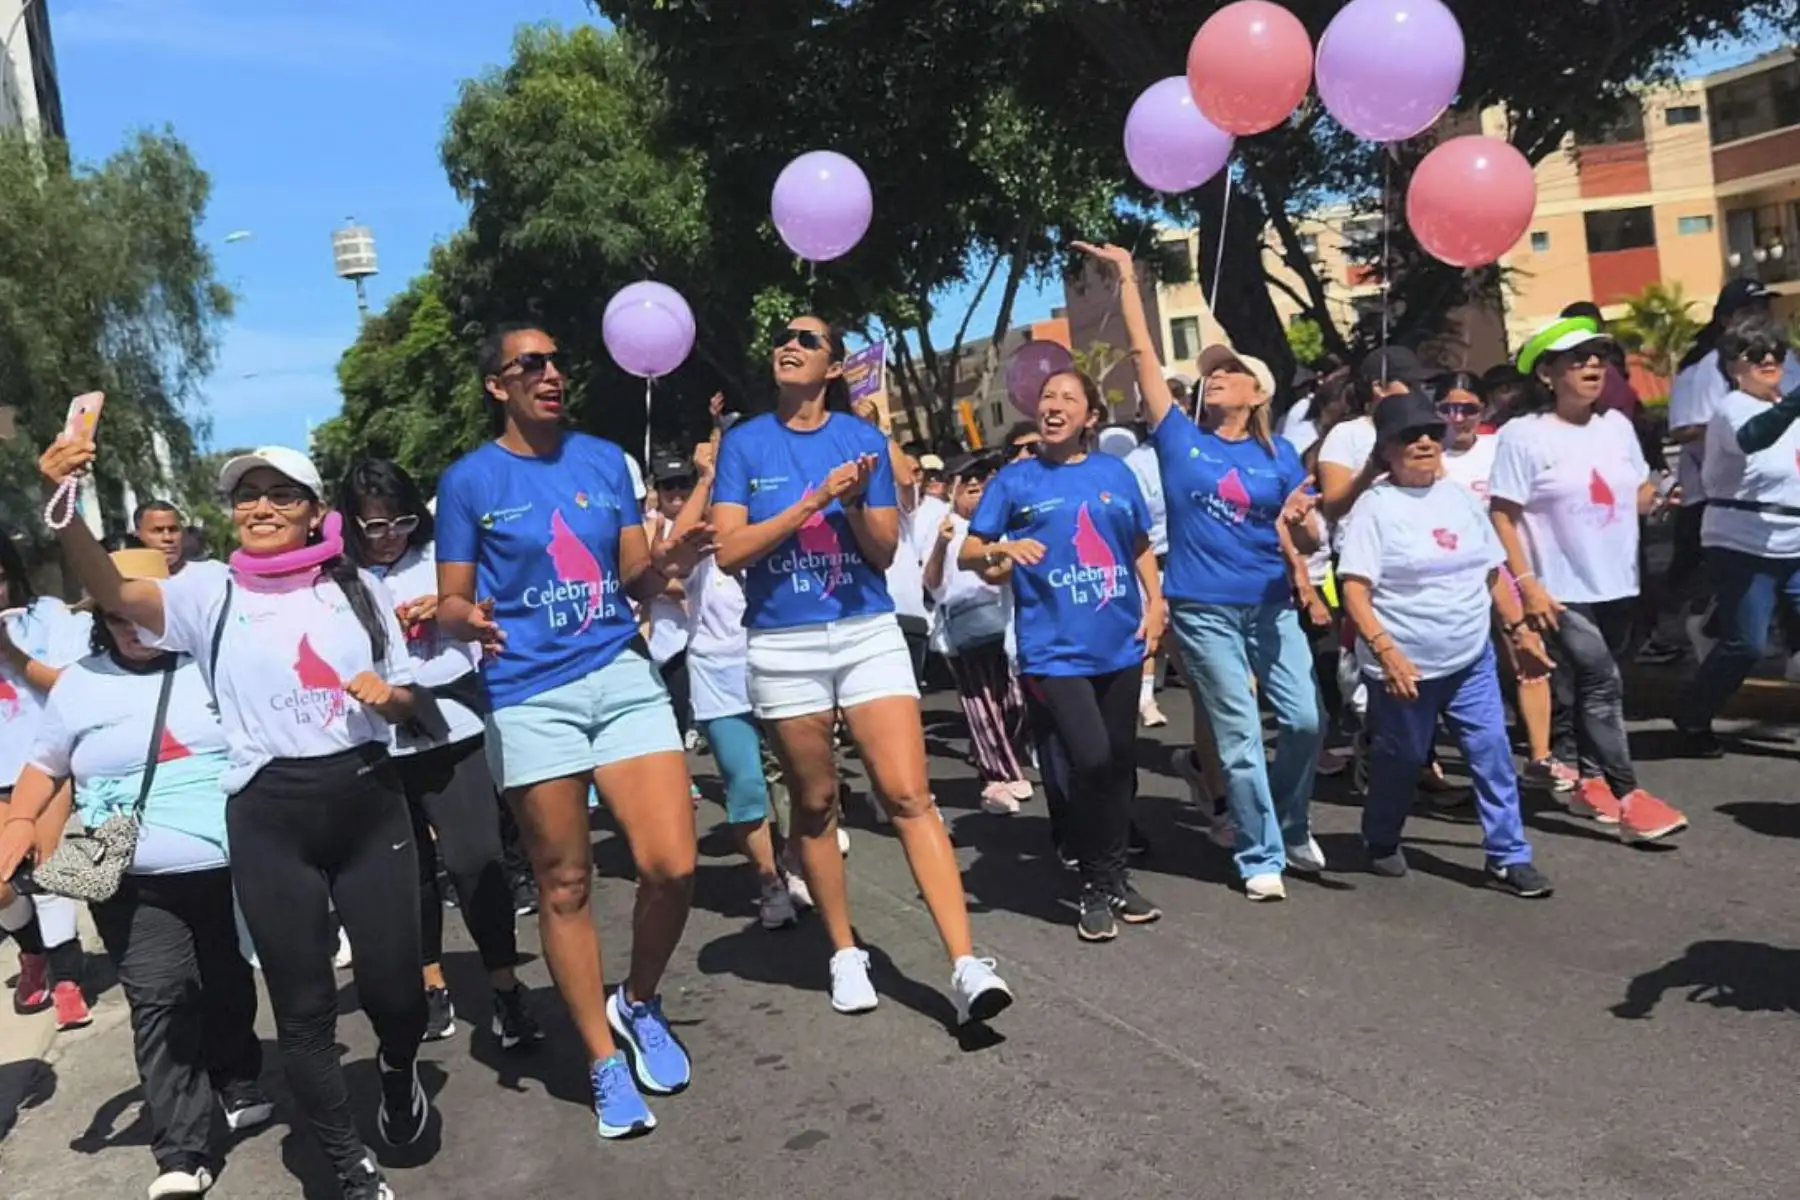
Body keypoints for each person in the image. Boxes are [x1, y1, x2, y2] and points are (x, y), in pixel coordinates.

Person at [37, 439, 428, 1200]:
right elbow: (115, 593)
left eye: (282, 495)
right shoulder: (208, 590)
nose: (261, 508)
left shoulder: (357, 588)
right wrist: (66, 508)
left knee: (396, 994)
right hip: (268, 818)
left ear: (317, 511)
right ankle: (348, 1165)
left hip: (367, 797)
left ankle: (397, 1062)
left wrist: (392, 698)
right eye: (247, 496)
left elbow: (416, 701)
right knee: (305, 1007)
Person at [434, 323, 707, 1139]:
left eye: (557, 362)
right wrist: (464, 617)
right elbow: (451, 601)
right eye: (532, 365)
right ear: (497, 386)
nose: (553, 374)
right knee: (564, 884)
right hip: (527, 695)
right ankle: (601, 1059)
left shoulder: (602, 460)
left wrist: (672, 559)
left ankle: (640, 999)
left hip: (619, 673)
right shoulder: (469, 481)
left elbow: (632, 573)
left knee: (673, 861)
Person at [712, 315, 1013, 1021]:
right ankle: (845, 952)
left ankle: (966, 965)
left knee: (909, 795)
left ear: (834, 368)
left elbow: (882, 552)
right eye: (783, 336)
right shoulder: (745, 443)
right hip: (783, 642)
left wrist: (852, 503)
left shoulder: (864, 440)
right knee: (815, 804)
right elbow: (729, 552)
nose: (788, 344)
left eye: (807, 340)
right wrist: (812, 501)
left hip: (865, 630)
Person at [0, 547, 272, 1198]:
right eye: (118, 616)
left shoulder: (216, 667)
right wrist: (17, 824)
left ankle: (237, 1073)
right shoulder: (79, 684)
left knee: (225, 978)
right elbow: (45, 764)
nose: (133, 626)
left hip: (221, 860)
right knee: (159, 996)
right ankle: (180, 1149)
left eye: (142, 612)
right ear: (101, 618)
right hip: (120, 863)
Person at [1072, 241, 1324, 903]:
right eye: (1211, 372)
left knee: (1304, 723)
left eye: (1229, 371)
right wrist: (1125, 278)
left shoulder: (1283, 454)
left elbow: (1310, 526)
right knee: (1238, 728)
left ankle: (1292, 823)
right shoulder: (1181, 439)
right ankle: (1259, 851)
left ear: (1257, 390)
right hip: (1201, 608)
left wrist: (1303, 526)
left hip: (1271, 605)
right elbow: (1144, 357)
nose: (1214, 377)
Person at [338, 459, 540, 1051]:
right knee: (409, 876)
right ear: (351, 525)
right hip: (379, 736)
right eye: (374, 527)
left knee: (477, 859)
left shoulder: (440, 558)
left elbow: (494, 608)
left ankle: (505, 986)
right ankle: (430, 983)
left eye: (400, 521)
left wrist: (445, 607)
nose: (390, 536)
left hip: (454, 723)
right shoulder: (335, 576)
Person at [960, 362, 1164, 940]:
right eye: (1047, 397)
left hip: (1119, 643)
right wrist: (1003, 546)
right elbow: (970, 555)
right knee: (1093, 758)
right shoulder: (1015, 481)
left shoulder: (1114, 474)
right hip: (1053, 652)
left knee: (1119, 765)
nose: (1053, 406)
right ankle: (1096, 884)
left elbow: (1139, 543)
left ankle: (1113, 878)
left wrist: (1156, 603)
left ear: (1090, 417)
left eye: (1068, 398)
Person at [1337, 392, 1555, 897]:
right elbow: (1355, 589)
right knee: (1404, 759)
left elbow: (1490, 570)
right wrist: (1386, 652)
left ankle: (1508, 855)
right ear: (1387, 449)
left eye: (1431, 434)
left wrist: (1518, 630)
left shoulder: (1457, 497)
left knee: (1492, 751)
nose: (1423, 442)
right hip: (1406, 667)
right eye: (1409, 436)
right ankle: (1381, 836)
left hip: (1469, 656)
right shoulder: (1376, 507)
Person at [1489, 317, 1688, 844]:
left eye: (1598, 356)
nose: (1593, 366)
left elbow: (1637, 487)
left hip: (1619, 581)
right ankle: (1630, 798)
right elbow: (1502, 515)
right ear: (1548, 374)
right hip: (1559, 589)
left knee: (1589, 688)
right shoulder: (1523, 435)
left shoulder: (1616, 427)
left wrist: (1654, 498)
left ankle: (1587, 779)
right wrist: (1527, 582)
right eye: (1577, 359)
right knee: (1603, 685)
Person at [673, 433, 804, 929]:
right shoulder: (702, 537)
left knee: (803, 782)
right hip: (717, 678)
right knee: (746, 784)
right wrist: (705, 479)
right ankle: (769, 883)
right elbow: (669, 549)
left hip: (779, 664)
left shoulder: (769, 523)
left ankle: (793, 861)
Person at [1433, 374, 1572, 795]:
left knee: (1529, 655)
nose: (1459, 419)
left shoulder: (1500, 448)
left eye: (1469, 409)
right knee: (1446, 669)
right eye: (1448, 409)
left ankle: (1540, 756)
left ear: (1484, 411)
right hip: (1449, 576)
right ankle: (1427, 758)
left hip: (1503, 570)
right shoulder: (1425, 454)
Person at [1674, 313, 1800, 755]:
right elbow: (1753, 439)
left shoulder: (1788, 408)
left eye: (1777, 353)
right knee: (1747, 644)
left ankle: (1714, 619)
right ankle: (1692, 715)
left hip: (1795, 540)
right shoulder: (1731, 410)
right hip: (1740, 541)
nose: (1769, 360)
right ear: (1733, 366)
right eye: (1755, 354)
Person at [1665, 280, 1800, 660]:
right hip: (1723, 494)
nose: (1760, 316)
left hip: (1783, 495)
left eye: (1764, 307)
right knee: (1724, 581)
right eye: (1749, 309)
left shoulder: (1784, 360)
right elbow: (1684, 427)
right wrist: (1741, 430)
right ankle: (1710, 629)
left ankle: (1790, 648)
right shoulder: (1706, 368)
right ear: (1726, 319)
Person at [0, 530, 91, 1028]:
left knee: (44, 868)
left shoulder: (50, 617)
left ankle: (65, 978)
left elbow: (72, 686)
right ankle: (33, 951)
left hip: (44, 765)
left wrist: (11, 652)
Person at [925, 459, 1034, 814]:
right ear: (954, 491)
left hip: (1006, 623)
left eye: (980, 485)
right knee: (982, 706)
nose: (975, 489)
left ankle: (1009, 760)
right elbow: (932, 583)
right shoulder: (943, 526)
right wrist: (942, 546)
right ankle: (997, 776)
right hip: (965, 628)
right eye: (967, 484)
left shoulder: (998, 525)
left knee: (1015, 702)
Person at [644, 452, 699, 750]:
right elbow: (638, 579)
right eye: (669, 486)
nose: (676, 493)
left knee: (680, 718)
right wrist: (678, 588)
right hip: (653, 642)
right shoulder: (648, 528)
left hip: (692, 641)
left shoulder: (704, 524)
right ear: (657, 490)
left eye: (683, 484)